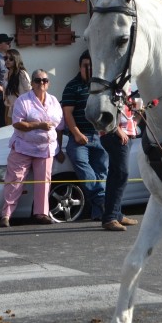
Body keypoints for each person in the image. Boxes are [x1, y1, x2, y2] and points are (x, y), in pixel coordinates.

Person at [1, 69, 63, 227]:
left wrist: (60, 148)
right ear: (32, 83)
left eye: (45, 80)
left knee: (44, 182)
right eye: (38, 80)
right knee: (15, 180)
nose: (41, 83)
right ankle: (6, 215)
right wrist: (39, 125)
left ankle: (41, 213)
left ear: (48, 83)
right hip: (24, 146)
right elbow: (17, 123)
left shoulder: (54, 101)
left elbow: (60, 127)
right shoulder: (23, 100)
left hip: (46, 148)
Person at [62, 51, 109, 221]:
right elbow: (68, 114)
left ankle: (99, 213)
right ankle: (103, 201)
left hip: (100, 136)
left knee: (102, 174)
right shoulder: (72, 86)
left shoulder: (103, 85)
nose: (88, 69)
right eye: (85, 66)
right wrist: (77, 134)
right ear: (80, 67)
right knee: (85, 170)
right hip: (79, 138)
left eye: (91, 66)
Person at [100, 94, 140, 231]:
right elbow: (103, 114)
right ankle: (110, 217)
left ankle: (116, 214)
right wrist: (118, 130)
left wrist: (138, 116)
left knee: (116, 174)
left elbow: (133, 117)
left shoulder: (128, 93)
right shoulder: (113, 91)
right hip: (115, 135)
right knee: (121, 174)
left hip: (126, 135)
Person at [3, 48, 32, 121]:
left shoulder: (22, 73)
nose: (7, 60)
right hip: (10, 108)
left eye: (11, 59)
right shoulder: (6, 74)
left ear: (16, 60)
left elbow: (30, 91)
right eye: (6, 58)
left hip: (22, 108)